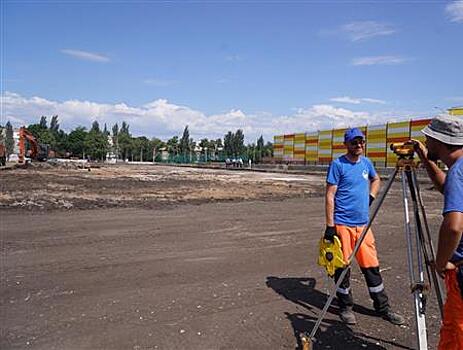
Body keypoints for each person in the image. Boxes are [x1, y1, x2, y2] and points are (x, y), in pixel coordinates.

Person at [324, 127, 405, 325]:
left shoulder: (367, 163)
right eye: (354, 142)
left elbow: (376, 179)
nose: (359, 145)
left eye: (361, 142)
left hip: (363, 226)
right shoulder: (338, 165)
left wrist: (371, 196)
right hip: (342, 225)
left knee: (372, 267)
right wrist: (330, 226)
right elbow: (329, 196)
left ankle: (383, 307)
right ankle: (345, 307)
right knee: (342, 269)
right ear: (346, 144)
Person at [412, 114, 463, 350]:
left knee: (455, 333)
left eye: (428, 138)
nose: (426, 141)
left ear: (440, 141)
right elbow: (448, 188)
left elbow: (453, 226)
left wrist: (441, 263)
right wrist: (424, 158)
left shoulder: (458, 173)